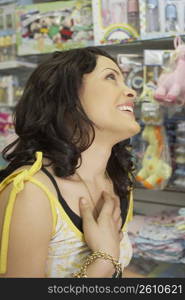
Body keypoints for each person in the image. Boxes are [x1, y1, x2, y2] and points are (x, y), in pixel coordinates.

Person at [0, 46, 140, 278]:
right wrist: (104, 259)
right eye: (110, 77)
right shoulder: (31, 193)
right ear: (66, 99)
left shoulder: (118, 181)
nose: (131, 92)